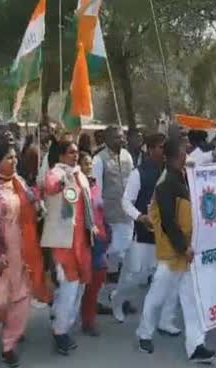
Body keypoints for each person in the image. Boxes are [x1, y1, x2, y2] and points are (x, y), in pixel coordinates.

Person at [136, 137, 215, 362]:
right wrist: (183, 247)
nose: (187, 156)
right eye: (183, 153)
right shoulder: (166, 184)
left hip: (186, 251)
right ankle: (144, 333)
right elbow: (169, 222)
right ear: (174, 156)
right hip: (173, 253)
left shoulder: (183, 178)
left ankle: (196, 345)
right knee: (157, 296)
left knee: (191, 301)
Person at [0, 143, 49, 367]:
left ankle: (9, 345)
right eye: (8, 158)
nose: (14, 161)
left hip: (24, 251)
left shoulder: (20, 183)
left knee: (21, 300)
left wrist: (39, 206)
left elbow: (34, 205)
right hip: (1, 252)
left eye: (14, 157)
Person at [114, 133, 178, 331]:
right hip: (144, 235)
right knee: (135, 277)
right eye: (160, 147)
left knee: (168, 279)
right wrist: (139, 216)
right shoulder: (138, 173)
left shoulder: (173, 172)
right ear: (149, 149)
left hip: (167, 236)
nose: (163, 150)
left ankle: (166, 321)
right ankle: (118, 298)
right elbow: (126, 201)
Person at [41, 140, 96, 356]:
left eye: (76, 152)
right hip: (63, 242)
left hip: (82, 240)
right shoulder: (55, 173)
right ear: (62, 155)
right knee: (70, 287)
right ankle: (59, 332)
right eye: (71, 153)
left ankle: (63, 321)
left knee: (80, 286)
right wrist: (65, 181)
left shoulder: (79, 174)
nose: (75, 156)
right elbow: (51, 186)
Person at [93, 126, 134, 302]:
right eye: (117, 137)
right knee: (110, 257)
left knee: (124, 257)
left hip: (127, 215)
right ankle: (102, 299)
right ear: (107, 139)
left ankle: (119, 297)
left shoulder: (127, 156)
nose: (122, 140)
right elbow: (97, 191)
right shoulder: (98, 159)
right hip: (109, 217)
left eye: (122, 137)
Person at [79, 151, 110, 337]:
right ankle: (87, 319)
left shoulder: (95, 185)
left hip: (101, 238)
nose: (89, 166)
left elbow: (100, 209)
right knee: (86, 281)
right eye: (85, 163)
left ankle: (88, 316)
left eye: (90, 163)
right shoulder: (78, 187)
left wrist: (107, 231)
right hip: (85, 239)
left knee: (98, 277)